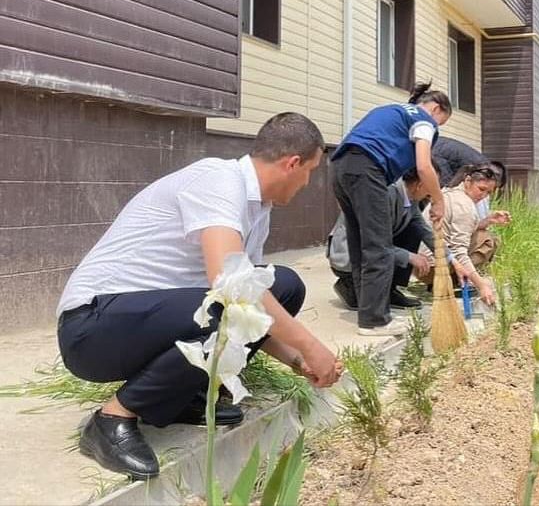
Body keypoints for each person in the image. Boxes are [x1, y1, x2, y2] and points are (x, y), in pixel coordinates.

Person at [56, 113, 341, 480]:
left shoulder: (258, 210)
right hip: (93, 326)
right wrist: (312, 346)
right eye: (311, 172)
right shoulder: (219, 180)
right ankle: (112, 419)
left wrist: (296, 359)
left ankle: (177, 397)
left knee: (283, 286)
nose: (307, 182)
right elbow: (231, 285)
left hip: (145, 322)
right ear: (293, 163)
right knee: (230, 302)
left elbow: (252, 308)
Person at [331, 82, 450, 336]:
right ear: (437, 108)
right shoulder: (424, 121)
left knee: (360, 244)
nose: (438, 128)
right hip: (368, 169)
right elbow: (424, 165)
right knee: (379, 247)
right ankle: (375, 320)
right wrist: (439, 200)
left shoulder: (393, 110)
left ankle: (368, 314)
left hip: (341, 167)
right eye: (442, 122)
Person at [327, 166, 467, 311]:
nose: (434, 191)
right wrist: (409, 256)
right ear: (420, 184)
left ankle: (390, 290)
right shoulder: (384, 192)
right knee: (363, 302)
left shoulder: (410, 197)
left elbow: (424, 230)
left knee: (413, 229)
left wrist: (452, 260)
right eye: (432, 184)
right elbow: (373, 242)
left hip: (373, 248)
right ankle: (348, 284)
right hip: (348, 254)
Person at [423, 164, 511, 305]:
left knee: (482, 233)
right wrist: (481, 285)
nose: (483, 196)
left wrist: (488, 220)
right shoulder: (465, 205)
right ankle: (454, 280)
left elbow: (464, 230)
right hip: (434, 267)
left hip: (421, 263)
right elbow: (459, 251)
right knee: (488, 240)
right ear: (468, 181)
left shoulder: (449, 193)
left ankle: (450, 279)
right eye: (481, 189)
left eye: (488, 193)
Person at [431, 136, 507, 217]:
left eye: (489, 192)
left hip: (437, 149)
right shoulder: (485, 171)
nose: (485, 194)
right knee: (447, 198)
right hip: (437, 153)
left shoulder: (482, 166)